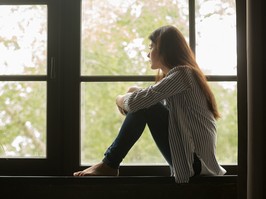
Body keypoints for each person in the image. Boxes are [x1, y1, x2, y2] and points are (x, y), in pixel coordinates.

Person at [73, 25, 226, 183]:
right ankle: (109, 164)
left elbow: (136, 103)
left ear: (165, 49)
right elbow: (145, 102)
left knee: (144, 105)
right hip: (194, 163)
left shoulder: (183, 74)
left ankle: (109, 164)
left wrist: (119, 98)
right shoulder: (183, 77)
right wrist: (133, 92)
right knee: (143, 103)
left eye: (151, 47)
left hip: (196, 165)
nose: (148, 54)